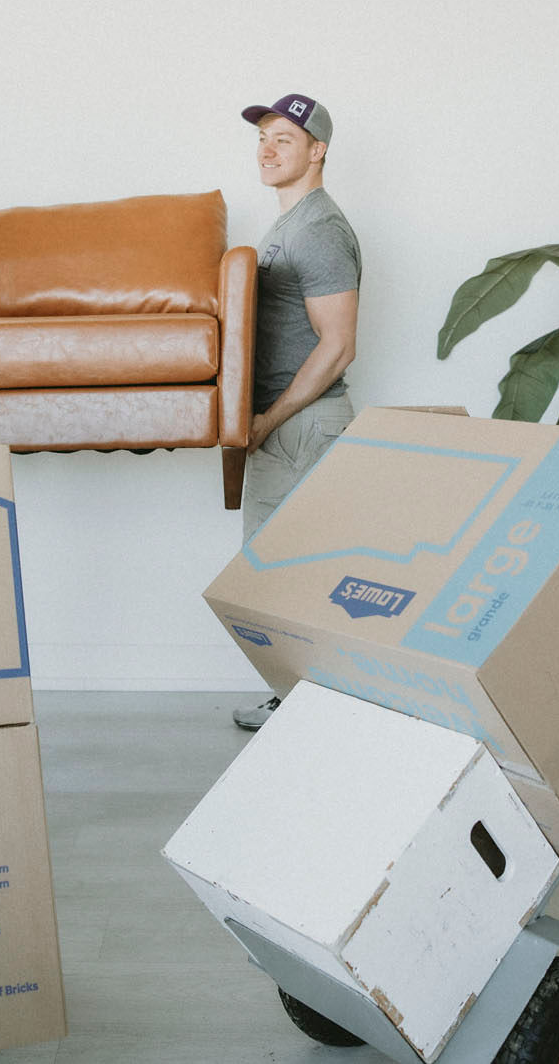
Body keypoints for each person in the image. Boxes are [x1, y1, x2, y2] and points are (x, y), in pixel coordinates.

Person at [231, 93, 361, 731]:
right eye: (263, 137)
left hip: (305, 426)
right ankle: (296, 701)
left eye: (285, 138)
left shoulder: (321, 230)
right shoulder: (289, 226)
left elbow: (338, 347)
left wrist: (269, 419)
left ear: (319, 150)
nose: (267, 148)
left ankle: (308, 710)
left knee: (295, 572)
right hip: (286, 426)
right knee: (274, 572)